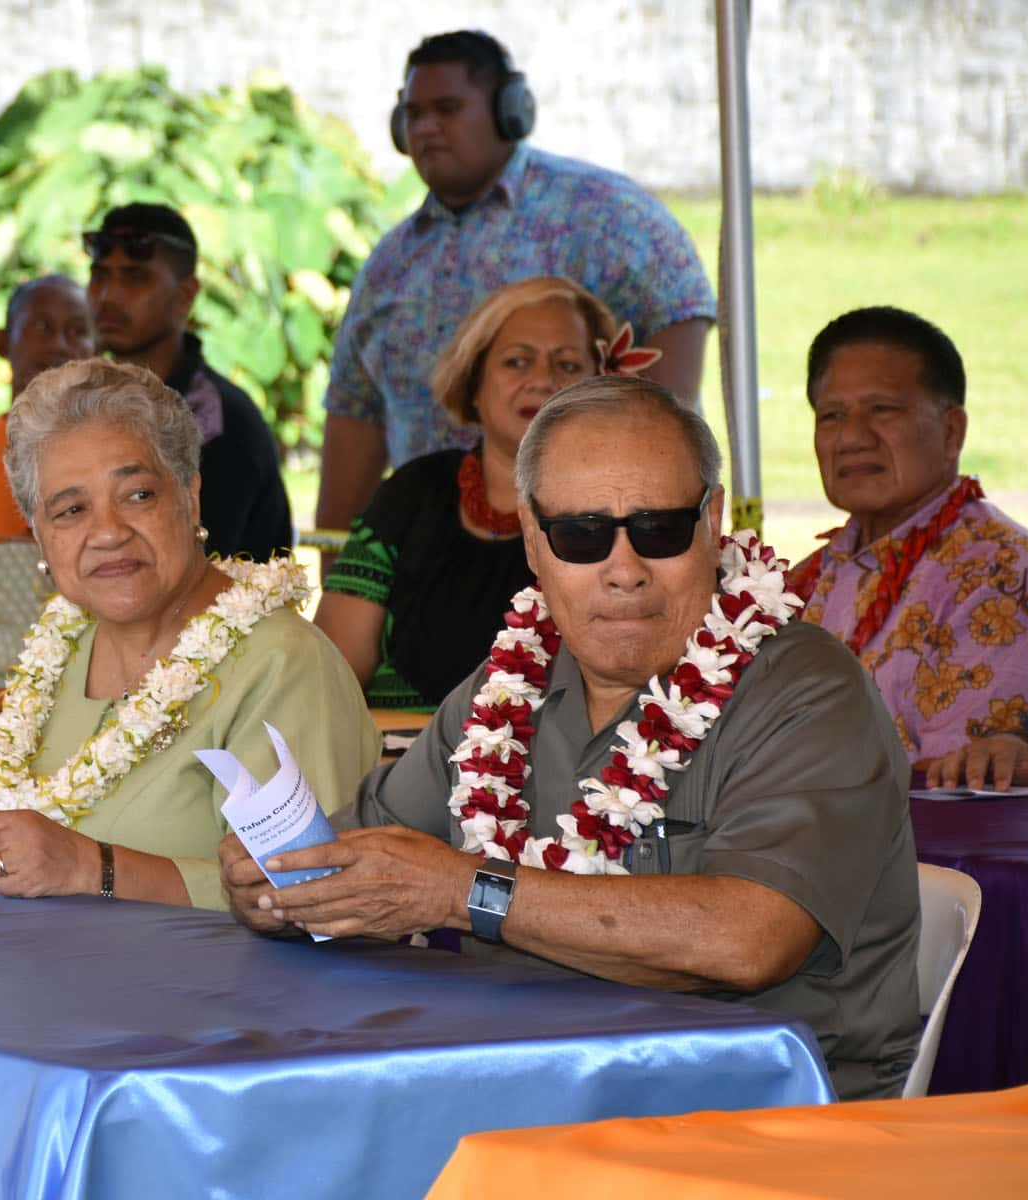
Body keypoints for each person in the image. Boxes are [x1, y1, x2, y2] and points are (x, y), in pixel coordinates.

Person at [224, 376, 922, 1102]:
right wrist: (280, 885)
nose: (623, 571)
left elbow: (748, 940)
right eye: (581, 536)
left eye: (657, 529)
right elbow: (361, 861)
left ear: (712, 522)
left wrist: (465, 892)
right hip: (518, 1090)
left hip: (751, 1120)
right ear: (532, 540)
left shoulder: (809, 690)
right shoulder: (506, 688)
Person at [0, 358, 379, 909]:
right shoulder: (61, 654)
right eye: (71, 510)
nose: (107, 531)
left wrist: (93, 868)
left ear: (189, 495)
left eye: (137, 494)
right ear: (39, 537)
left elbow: (314, 892)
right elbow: (27, 864)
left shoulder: (279, 663)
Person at [314, 29, 715, 541]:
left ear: (510, 112)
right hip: (429, 557)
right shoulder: (388, 265)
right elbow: (355, 413)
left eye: (448, 108)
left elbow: (675, 350)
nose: (428, 129)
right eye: (414, 115)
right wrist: (335, 555)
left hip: (585, 543)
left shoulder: (608, 215)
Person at [316, 276, 619, 707]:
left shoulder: (617, 511)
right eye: (517, 361)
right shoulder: (412, 493)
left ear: (599, 385)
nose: (542, 380)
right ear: (473, 381)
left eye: (567, 365)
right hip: (397, 762)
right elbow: (329, 679)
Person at [792, 306, 1028, 764]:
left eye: (881, 409)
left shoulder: (1004, 571)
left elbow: (952, 775)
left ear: (952, 430)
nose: (851, 437)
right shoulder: (809, 577)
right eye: (831, 415)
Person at [85, 203, 295, 561]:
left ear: (185, 296)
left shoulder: (216, 421)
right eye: (101, 275)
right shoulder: (87, 405)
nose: (109, 295)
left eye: (135, 277)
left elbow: (194, 574)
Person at [0, 275, 95, 536]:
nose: (59, 344)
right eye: (41, 327)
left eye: (78, 331)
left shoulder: (113, 453)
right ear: (2, 342)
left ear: (98, 350)